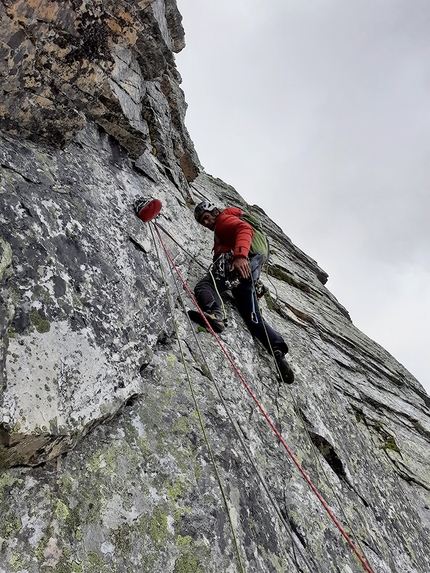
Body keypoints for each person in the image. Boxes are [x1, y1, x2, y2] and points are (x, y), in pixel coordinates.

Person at [190, 200, 294, 384]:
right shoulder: (224, 226)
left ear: (214, 211)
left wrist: (239, 256)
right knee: (252, 317)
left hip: (238, 265)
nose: (206, 223)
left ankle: (216, 314)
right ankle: (277, 349)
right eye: (202, 222)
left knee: (205, 286)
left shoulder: (222, 222)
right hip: (247, 274)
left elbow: (245, 230)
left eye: (206, 218)